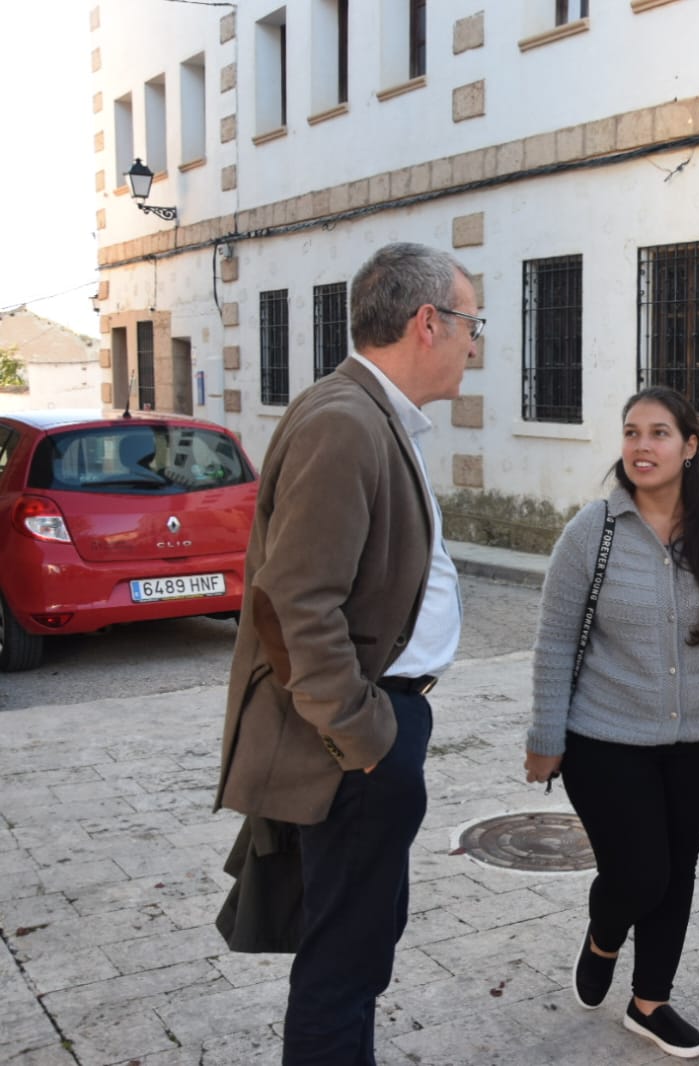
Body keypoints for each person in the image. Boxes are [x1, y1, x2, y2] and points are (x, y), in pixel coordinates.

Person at [214, 242, 480, 1065]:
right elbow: (295, 603)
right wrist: (366, 740)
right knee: (343, 963)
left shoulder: (371, 413)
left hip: (377, 724)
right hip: (354, 740)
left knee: (358, 948)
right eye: (471, 323)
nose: (476, 343)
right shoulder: (345, 420)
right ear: (426, 322)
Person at [524, 386, 699, 1060]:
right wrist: (545, 738)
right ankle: (605, 936)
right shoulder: (591, 532)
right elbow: (552, 641)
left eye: (658, 433)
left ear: (690, 447)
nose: (641, 446)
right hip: (604, 739)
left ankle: (648, 1000)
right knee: (639, 873)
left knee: (676, 870)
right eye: (631, 432)